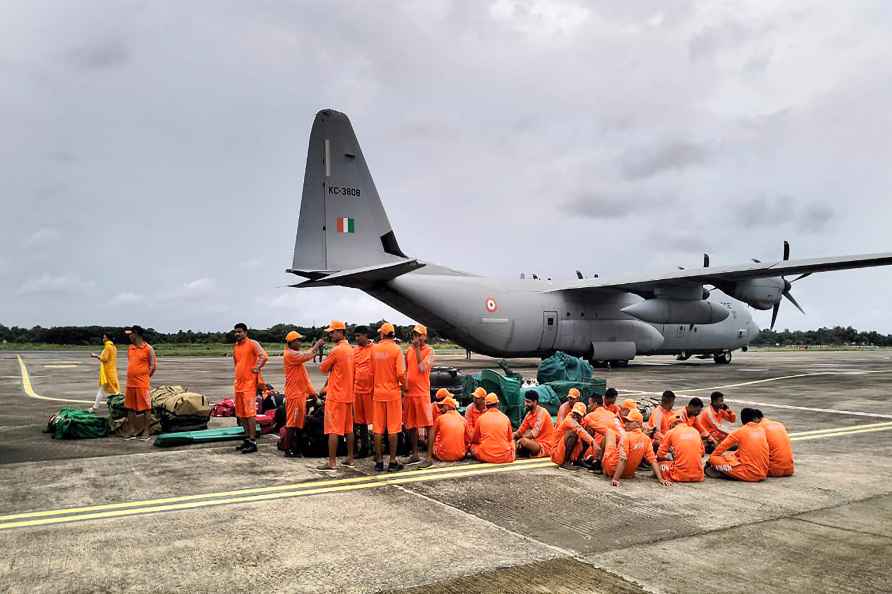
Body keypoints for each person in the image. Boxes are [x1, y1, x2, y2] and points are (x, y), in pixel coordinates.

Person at [318, 320, 355, 470]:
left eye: (332, 332)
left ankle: (332, 461)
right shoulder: (351, 349)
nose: (331, 335)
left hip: (336, 395)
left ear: (340, 332)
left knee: (333, 429)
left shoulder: (336, 350)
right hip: (348, 395)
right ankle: (350, 458)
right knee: (348, 429)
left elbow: (323, 368)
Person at [371, 322, 406, 472]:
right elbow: (400, 373)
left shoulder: (375, 349)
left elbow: (372, 371)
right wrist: (404, 387)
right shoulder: (397, 350)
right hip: (392, 394)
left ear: (382, 334)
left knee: (378, 429)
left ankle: (379, 462)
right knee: (393, 429)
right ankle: (392, 462)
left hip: (378, 393)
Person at [603, 410, 671, 487]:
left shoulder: (626, 436)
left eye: (629, 422)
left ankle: (600, 465)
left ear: (638, 424)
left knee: (609, 432)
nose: (626, 424)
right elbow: (653, 460)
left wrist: (615, 479)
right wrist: (661, 479)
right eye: (626, 422)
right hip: (628, 474)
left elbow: (623, 459)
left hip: (612, 470)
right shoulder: (646, 439)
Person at [283, 330, 322, 458]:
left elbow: (305, 380)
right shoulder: (290, 355)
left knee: (299, 423)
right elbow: (306, 355)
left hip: (299, 395)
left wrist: (314, 395)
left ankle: (297, 446)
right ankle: (287, 449)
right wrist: (316, 346)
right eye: (298, 340)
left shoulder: (297, 361)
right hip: (294, 395)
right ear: (291, 342)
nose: (300, 342)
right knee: (292, 423)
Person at [231, 323, 268, 454]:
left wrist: (257, 367)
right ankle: (247, 438)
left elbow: (264, 356)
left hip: (249, 385)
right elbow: (236, 364)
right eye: (235, 332)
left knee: (250, 414)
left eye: (240, 332)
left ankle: (253, 441)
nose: (237, 334)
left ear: (246, 332)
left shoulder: (253, 344)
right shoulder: (236, 347)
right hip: (239, 385)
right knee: (241, 414)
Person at [707, 408, 769, 482]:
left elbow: (720, 448)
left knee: (713, 459)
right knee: (732, 455)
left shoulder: (740, 431)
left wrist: (711, 460)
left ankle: (726, 472)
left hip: (749, 474)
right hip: (764, 472)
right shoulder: (762, 430)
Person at [404, 324, 434, 464]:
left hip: (422, 393)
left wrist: (416, 349)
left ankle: (428, 457)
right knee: (411, 425)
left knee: (428, 425)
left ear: (425, 337)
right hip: (410, 393)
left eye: (419, 335)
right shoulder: (408, 351)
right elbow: (406, 370)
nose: (417, 337)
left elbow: (422, 367)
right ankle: (415, 454)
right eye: (415, 334)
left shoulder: (430, 351)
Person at [124, 325, 156, 438]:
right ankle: (132, 430)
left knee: (146, 408)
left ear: (136, 334)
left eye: (130, 334)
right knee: (130, 408)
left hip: (142, 384)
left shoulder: (148, 348)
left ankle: (146, 431)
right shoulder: (130, 348)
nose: (129, 336)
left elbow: (153, 366)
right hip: (130, 384)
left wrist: (145, 377)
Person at [656, 414, 705, 482]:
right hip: (699, 475)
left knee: (656, 466)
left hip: (680, 475)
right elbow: (702, 453)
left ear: (673, 424)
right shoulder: (695, 431)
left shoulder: (671, 432)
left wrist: (668, 457)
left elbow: (659, 455)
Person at [470, 394, 515, 464]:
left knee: (472, 446)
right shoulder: (505, 418)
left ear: (486, 405)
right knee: (512, 441)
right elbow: (510, 439)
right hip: (505, 457)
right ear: (497, 404)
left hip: (486, 456)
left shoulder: (480, 419)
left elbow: (474, 440)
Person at [351, 326, 374, 458]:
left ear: (366, 335)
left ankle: (377, 447)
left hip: (370, 392)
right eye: (356, 336)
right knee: (360, 422)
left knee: (374, 421)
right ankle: (364, 448)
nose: (357, 338)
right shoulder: (355, 351)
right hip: (357, 391)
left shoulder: (374, 349)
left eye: (359, 335)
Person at [551, 402, 596, 469]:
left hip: (573, 450)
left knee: (589, 431)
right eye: (574, 413)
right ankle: (565, 462)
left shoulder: (583, 421)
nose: (575, 415)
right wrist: (593, 442)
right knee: (573, 434)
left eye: (578, 414)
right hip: (558, 453)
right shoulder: (569, 419)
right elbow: (579, 429)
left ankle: (578, 459)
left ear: (583, 415)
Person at [424, 396, 467, 464]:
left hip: (442, 456)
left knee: (427, 442)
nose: (441, 409)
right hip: (460, 455)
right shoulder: (463, 419)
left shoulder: (440, 418)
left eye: (442, 406)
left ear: (447, 407)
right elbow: (468, 440)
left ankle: (429, 456)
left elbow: (432, 436)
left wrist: (428, 456)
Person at [513, 390, 555, 458]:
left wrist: (520, 439)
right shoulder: (529, 414)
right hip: (535, 443)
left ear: (535, 402)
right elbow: (520, 431)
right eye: (525, 401)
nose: (525, 404)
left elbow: (534, 433)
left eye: (528, 402)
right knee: (513, 440)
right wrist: (512, 436)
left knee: (523, 441)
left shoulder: (542, 412)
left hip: (545, 446)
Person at [754, 410, 794, 477]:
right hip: (789, 469)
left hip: (773, 470)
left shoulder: (759, 427)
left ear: (755, 419)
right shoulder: (779, 424)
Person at [90, 333, 119, 412]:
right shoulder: (113, 347)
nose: (103, 339)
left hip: (107, 372)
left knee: (105, 390)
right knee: (111, 390)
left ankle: (95, 408)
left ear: (107, 338)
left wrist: (95, 356)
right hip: (111, 371)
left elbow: (104, 359)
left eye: (104, 337)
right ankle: (95, 407)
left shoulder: (108, 346)